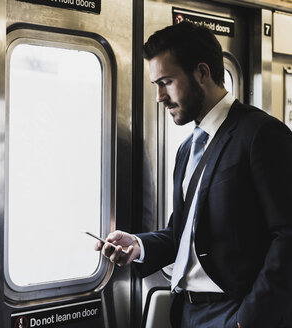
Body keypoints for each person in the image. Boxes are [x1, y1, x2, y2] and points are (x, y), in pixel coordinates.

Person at [95, 22, 292, 328]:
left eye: (167, 82)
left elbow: (288, 235)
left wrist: (251, 319)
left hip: (235, 313)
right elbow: (184, 233)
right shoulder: (189, 149)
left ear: (202, 73)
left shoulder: (261, 134)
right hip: (188, 313)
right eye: (156, 85)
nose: (159, 96)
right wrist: (138, 245)